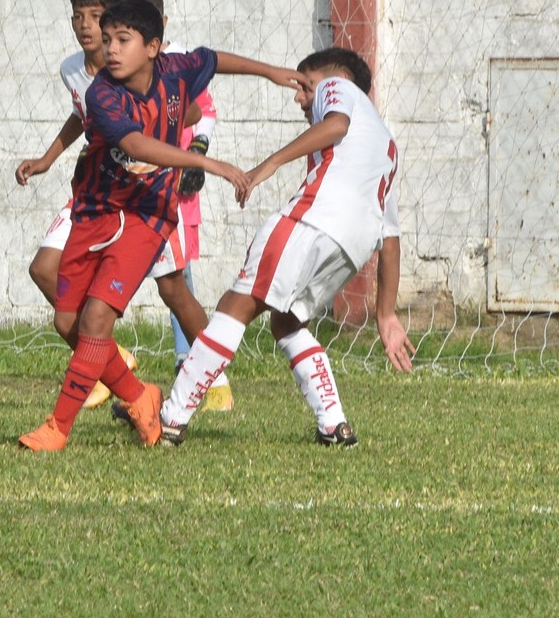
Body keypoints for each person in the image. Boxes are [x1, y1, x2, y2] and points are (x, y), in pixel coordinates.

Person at [17, 0, 300, 451]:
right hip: (95, 210)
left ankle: (58, 428)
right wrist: (206, 162)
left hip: (147, 214)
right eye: (107, 40)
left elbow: (213, 59)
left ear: (152, 47)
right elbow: (135, 145)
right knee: (67, 321)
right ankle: (139, 395)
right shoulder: (102, 93)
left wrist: (271, 72)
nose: (110, 49)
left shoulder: (177, 69)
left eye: (121, 40)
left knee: (97, 318)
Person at [155, 48, 414, 446]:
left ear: (338, 77)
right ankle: (334, 425)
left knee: (237, 304)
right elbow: (390, 238)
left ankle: (171, 418)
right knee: (286, 322)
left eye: (305, 85)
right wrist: (386, 312)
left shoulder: (337, 87)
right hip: (352, 246)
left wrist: (270, 164)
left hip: (313, 219)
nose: (299, 97)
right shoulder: (384, 146)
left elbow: (336, 124)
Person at [14, 0, 138, 410]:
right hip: (89, 192)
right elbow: (80, 115)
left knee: (174, 286)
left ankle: (210, 377)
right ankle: (108, 362)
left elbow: (184, 109)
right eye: (78, 17)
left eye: (95, 17)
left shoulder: (132, 70)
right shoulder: (72, 69)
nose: (85, 25)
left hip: (133, 197)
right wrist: (47, 159)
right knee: (43, 269)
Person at [121, 0, 233, 412]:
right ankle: (109, 364)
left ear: (161, 24)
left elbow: (204, 111)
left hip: (175, 189)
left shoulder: (181, 61)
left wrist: (196, 156)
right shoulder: (120, 66)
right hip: (132, 189)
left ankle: (202, 369)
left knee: (176, 279)